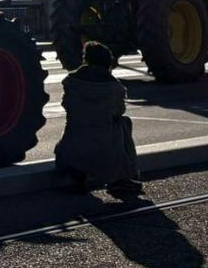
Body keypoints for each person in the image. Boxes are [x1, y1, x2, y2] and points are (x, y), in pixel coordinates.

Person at [54, 41, 142, 197]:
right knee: (124, 122)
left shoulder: (70, 81)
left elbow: (66, 105)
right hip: (104, 148)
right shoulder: (115, 87)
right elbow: (119, 111)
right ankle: (123, 177)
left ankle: (73, 176)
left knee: (74, 125)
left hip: (72, 146)